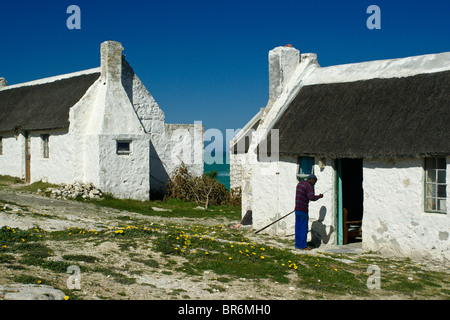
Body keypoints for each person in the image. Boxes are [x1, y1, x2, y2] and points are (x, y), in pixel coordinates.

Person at [295, 174, 323, 250]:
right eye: (315, 182)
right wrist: (319, 196)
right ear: (312, 179)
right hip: (303, 210)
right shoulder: (308, 186)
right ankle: (303, 246)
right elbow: (311, 197)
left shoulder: (300, 184)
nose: (314, 183)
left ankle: (298, 244)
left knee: (298, 228)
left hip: (297, 209)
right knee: (304, 228)